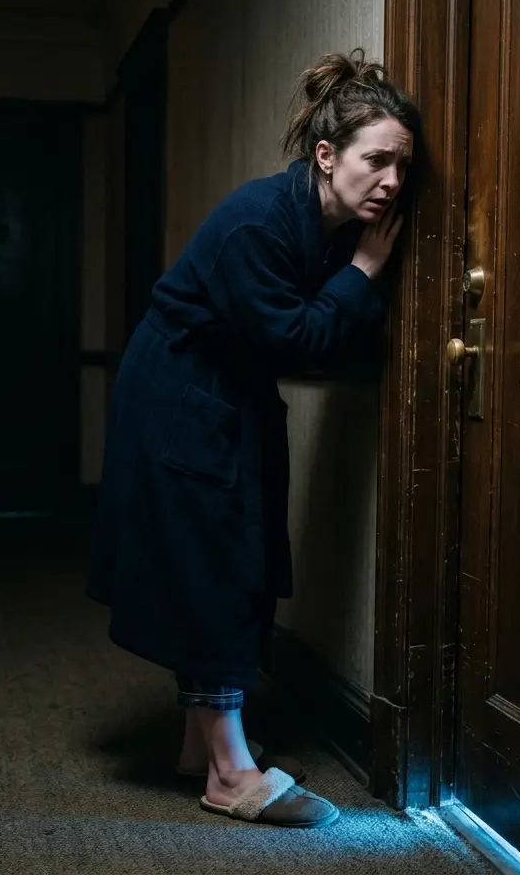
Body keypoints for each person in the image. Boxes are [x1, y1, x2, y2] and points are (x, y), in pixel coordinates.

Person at [88, 48, 419, 828]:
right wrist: (367, 271)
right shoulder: (259, 222)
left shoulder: (326, 221)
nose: (393, 183)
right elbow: (297, 339)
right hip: (179, 397)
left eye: (402, 166)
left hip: (224, 394)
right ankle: (231, 774)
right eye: (377, 161)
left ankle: (203, 746)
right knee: (215, 564)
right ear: (327, 154)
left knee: (238, 556)